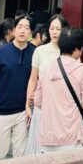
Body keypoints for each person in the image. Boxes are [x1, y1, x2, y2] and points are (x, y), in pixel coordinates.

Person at [0, 15, 35, 160]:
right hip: (2, 111)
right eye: (19, 27)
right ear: (14, 30)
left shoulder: (35, 52)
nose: (22, 31)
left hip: (23, 111)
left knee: (20, 156)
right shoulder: (2, 51)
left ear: (31, 33)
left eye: (26, 28)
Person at [35, 27, 83, 152]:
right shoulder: (82, 71)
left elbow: (37, 101)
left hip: (48, 138)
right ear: (76, 49)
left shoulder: (46, 69)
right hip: (73, 138)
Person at [24, 14, 69, 155]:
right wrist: (27, 104)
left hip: (61, 108)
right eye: (52, 28)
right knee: (37, 147)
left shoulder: (69, 52)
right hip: (41, 107)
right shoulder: (40, 51)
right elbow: (33, 79)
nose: (55, 32)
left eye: (58, 29)